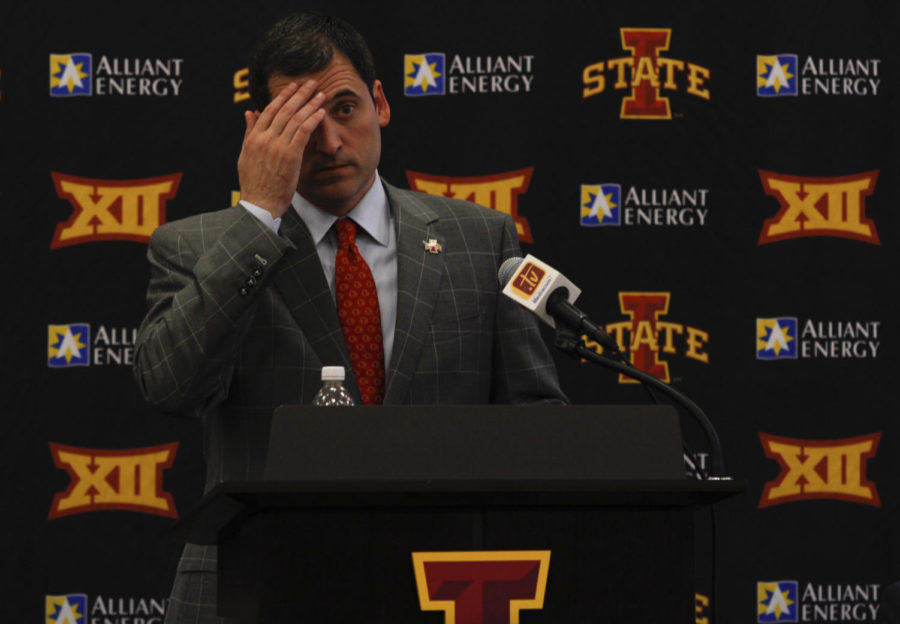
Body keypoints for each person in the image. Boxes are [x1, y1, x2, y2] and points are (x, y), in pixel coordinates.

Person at [133, 12, 567, 623]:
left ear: (381, 103)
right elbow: (170, 385)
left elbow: (537, 424)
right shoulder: (200, 247)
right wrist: (258, 216)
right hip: (257, 591)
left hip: (439, 589)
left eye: (344, 109)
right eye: (302, 121)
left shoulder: (481, 240)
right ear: (261, 131)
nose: (331, 142)